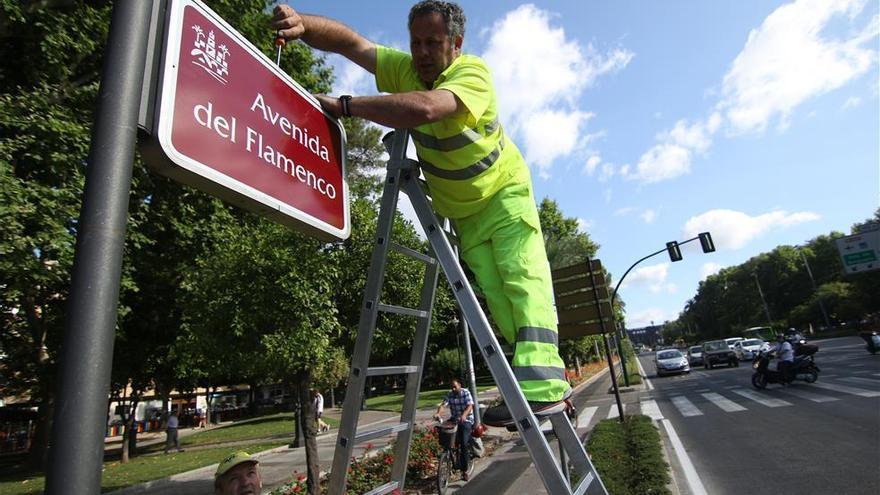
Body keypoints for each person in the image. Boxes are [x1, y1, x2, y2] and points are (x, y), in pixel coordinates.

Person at [272, 0, 571, 428]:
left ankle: (545, 391)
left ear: (456, 44)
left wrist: (346, 105)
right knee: (504, 309)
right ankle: (537, 386)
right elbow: (354, 44)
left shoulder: (472, 73)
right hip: (465, 217)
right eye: (416, 42)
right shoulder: (406, 69)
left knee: (524, 283)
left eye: (433, 42)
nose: (423, 52)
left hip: (504, 198)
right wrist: (304, 24)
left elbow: (428, 108)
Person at [433, 378, 474, 481]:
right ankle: (448, 458)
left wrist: (464, 415)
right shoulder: (450, 394)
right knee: (447, 438)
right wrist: (438, 414)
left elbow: (469, 405)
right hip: (455, 419)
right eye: (452, 387)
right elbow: (443, 405)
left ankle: (465, 471)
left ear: (459, 385)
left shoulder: (466, 393)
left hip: (466, 420)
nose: (453, 389)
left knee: (463, 444)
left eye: (455, 386)